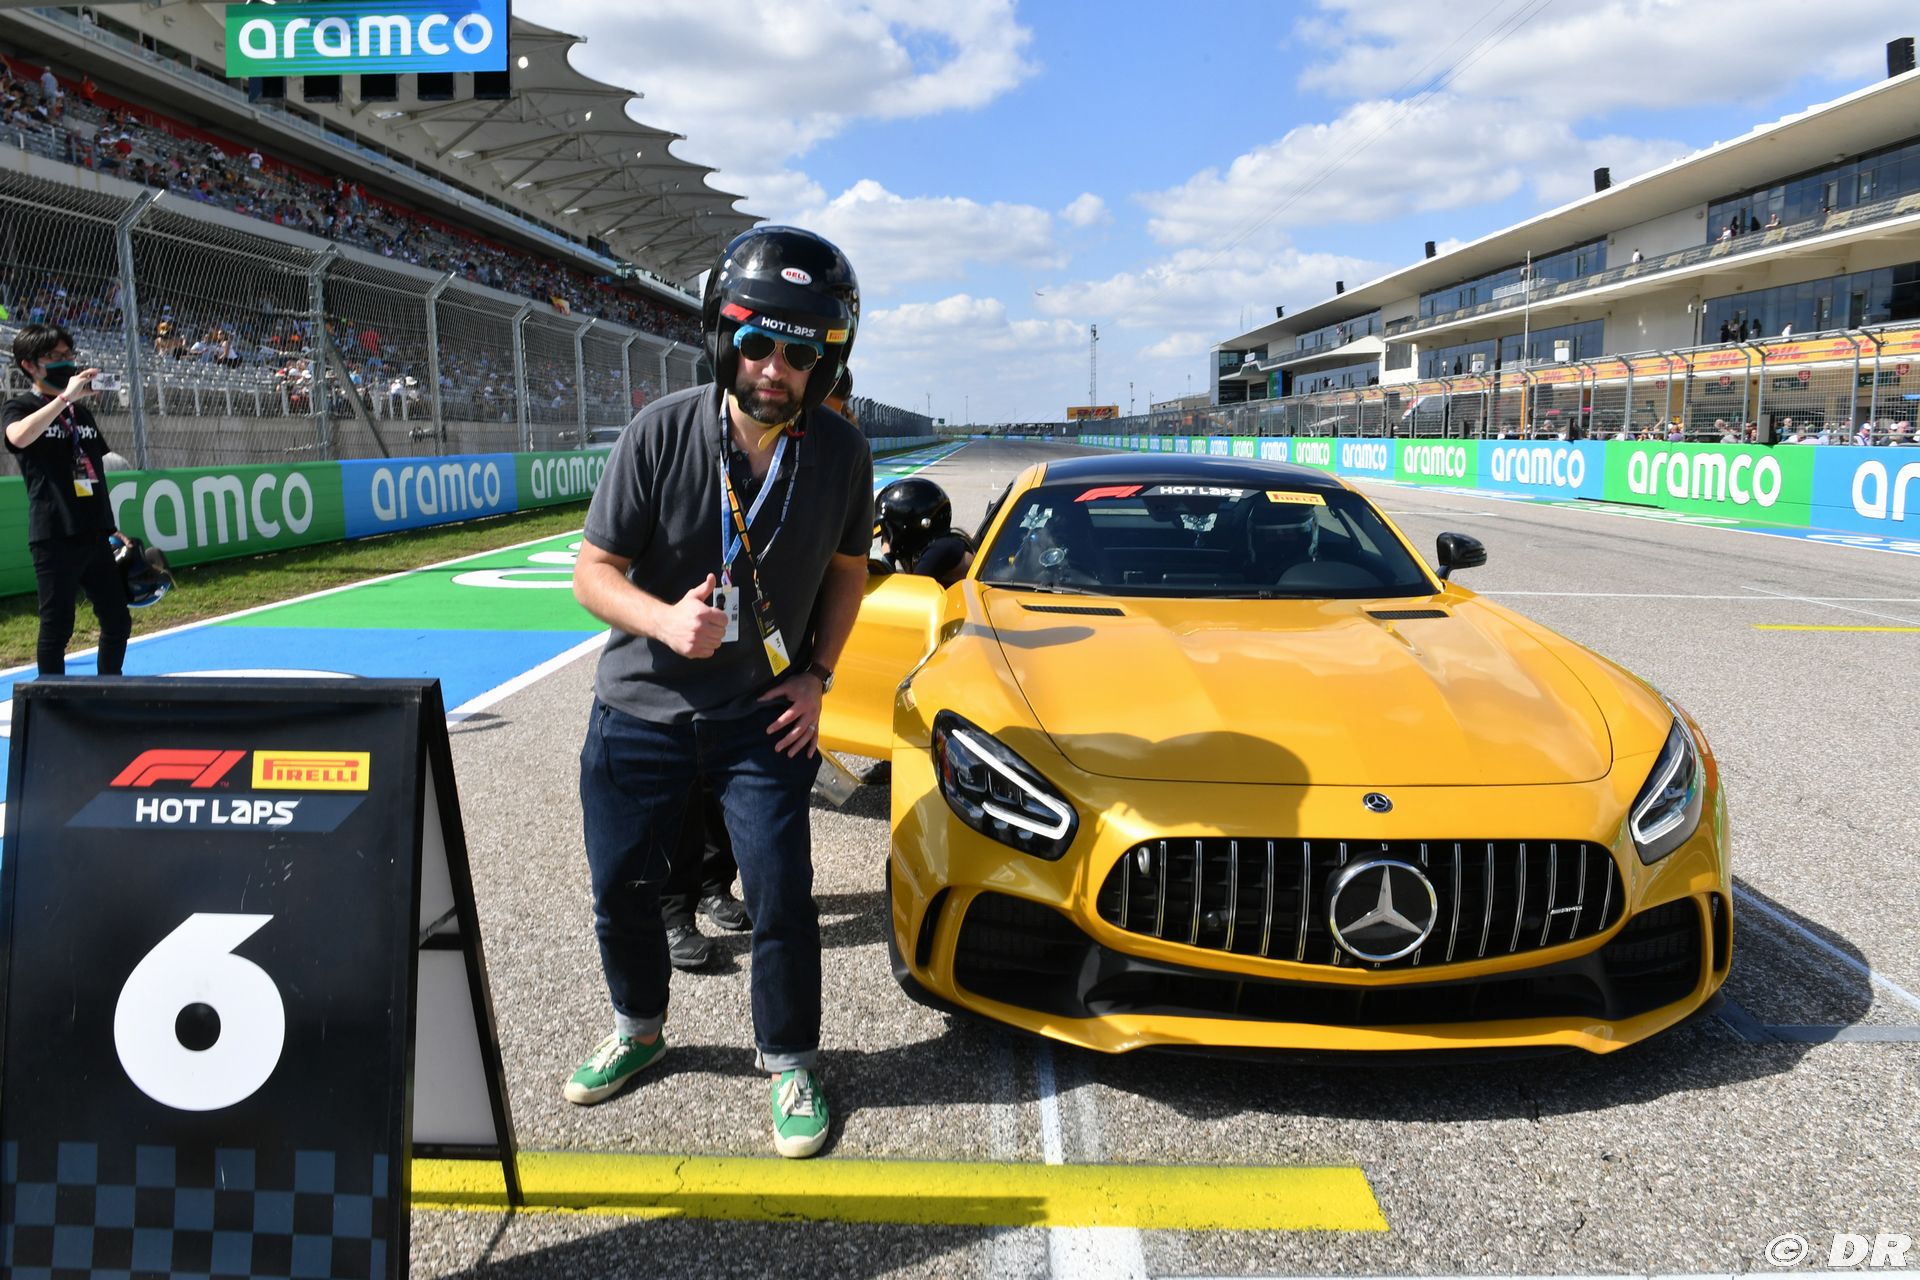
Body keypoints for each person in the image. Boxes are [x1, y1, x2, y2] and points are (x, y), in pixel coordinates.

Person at [567, 226, 870, 1160]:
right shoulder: (661, 431)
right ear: (723, 338)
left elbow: (848, 573)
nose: (774, 369)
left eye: (798, 354)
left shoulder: (841, 453)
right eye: (757, 344)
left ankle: (790, 1060)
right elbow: (592, 573)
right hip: (639, 709)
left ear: (825, 362)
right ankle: (638, 1028)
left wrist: (819, 677)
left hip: (759, 718)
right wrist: (663, 621)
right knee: (622, 890)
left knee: (781, 897)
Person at [3, 325, 131, 677]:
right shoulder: (21, 406)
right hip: (54, 533)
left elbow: (93, 472)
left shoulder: (81, 415)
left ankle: (110, 688)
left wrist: (110, 526)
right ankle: (53, 699)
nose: (66, 362)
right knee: (58, 626)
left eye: (68, 355)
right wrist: (63, 399)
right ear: (29, 365)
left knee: (117, 619)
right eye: (54, 356)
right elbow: (17, 438)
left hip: (94, 533)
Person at [875, 477, 974, 587]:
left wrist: (887, 557)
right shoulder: (944, 544)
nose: (886, 538)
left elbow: (911, 591)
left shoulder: (941, 549)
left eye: (888, 531)